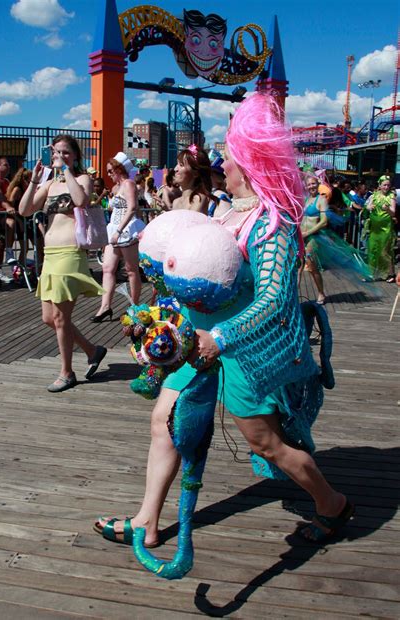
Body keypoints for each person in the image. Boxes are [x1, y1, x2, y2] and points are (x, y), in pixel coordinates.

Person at [94, 94, 353, 549]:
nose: (222, 166)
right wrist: (157, 317)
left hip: (247, 348)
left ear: (249, 164)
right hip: (198, 340)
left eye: (228, 159)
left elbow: (274, 300)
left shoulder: (273, 226)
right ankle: (147, 522)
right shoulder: (224, 212)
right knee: (166, 420)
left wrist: (223, 336)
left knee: (265, 442)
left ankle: (332, 503)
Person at [19, 134, 107, 392]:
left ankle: (67, 372)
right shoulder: (49, 184)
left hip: (70, 253)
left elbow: (81, 201)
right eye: (56, 152)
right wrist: (35, 179)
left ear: (75, 156)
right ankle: (92, 350)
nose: (60, 156)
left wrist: (66, 170)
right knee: (50, 317)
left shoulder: (81, 179)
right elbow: (24, 209)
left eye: (65, 152)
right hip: (51, 255)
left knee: (60, 317)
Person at [91, 152, 143, 323]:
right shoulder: (115, 188)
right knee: (107, 268)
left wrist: (119, 230)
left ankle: (134, 306)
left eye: (110, 171)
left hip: (126, 229)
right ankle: (105, 306)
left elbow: (132, 208)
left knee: (131, 270)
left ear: (118, 169)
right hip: (115, 229)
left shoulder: (129, 184)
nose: (109, 174)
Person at [363, 175, 397, 282]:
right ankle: (370, 274)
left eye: (388, 185)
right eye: (384, 185)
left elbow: (393, 213)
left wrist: (387, 209)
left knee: (385, 251)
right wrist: (369, 207)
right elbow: (367, 206)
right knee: (372, 250)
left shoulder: (391, 197)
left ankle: (390, 274)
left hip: (386, 229)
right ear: (380, 185)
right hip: (374, 229)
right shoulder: (374, 195)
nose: (386, 187)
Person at [301, 174, 328, 304]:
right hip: (301, 236)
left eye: (313, 183)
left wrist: (308, 233)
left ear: (318, 184)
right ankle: (295, 294)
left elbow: (324, 222)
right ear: (305, 186)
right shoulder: (305, 200)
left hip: (313, 237)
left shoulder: (321, 200)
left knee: (312, 266)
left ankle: (321, 292)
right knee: (298, 266)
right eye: (309, 184)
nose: (311, 186)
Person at [172, 145, 211, 213]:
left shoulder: (198, 199)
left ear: (195, 173)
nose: (175, 169)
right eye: (176, 164)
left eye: (181, 165)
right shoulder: (175, 202)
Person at [6, 168, 32, 265]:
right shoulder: (17, 190)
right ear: (23, 180)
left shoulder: (28, 189)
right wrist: (18, 220)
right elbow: (10, 206)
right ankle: (20, 269)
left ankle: (22, 267)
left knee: (26, 247)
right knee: (24, 247)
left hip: (25, 219)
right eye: (28, 181)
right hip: (18, 219)